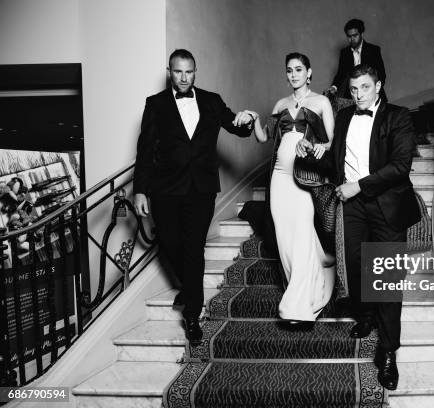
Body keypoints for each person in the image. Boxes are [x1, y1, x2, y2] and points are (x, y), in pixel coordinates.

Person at [133, 49, 254, 341]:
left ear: (195, 72)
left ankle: (192, 317)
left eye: (189, 72)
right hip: (165, 189)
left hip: (201, 188)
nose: (184, 77)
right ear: (170, 72)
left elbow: (235, 127)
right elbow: (145, 150)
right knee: (169, 242)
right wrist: (139, 190)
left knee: (193, 248)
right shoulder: (156, 104)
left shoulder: (211, 100)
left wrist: (245, 120)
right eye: (178, 72)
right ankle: (189, 288)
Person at [318, 64, 421, 390]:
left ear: (378, 86)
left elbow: (400, 166)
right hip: (353, 207)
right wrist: (310, 153)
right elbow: (336, 159)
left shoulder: (399, 116)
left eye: (364, 87)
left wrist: (358, 186)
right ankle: (364, 316)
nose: (358, 95)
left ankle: (388, 352)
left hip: (386, 204)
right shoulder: (346, 117)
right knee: (357, 264)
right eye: (353, 89)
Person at [245, 52, 336, 324]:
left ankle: (300, 303)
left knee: (301, 233)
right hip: (279, 177)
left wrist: (316, 146)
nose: (293, 74)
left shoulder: (321, 102)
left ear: (309, 72)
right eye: (289, 70)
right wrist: (252, 120)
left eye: (299, 69)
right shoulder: (281, 103)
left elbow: (332, 141)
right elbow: (263, 137)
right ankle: (299, 289)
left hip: (305, 176)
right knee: (285, 237)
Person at [326, 19, 387, 100]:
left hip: (372, 93)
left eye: (355, 35)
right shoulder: (345, 53)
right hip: (353, 95)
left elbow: (381, 74)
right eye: (349, 36)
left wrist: (373, 90)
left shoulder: (373, 50)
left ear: (362, 34)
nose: (352, 39)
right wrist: (334, 87)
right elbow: (340, 74)